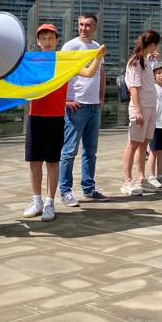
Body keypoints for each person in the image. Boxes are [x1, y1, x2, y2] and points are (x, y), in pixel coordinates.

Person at [23, 23, 104, 221]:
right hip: (35, 117)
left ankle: (50, 202)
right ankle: (37, 201)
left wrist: (97, 57)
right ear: (38, 42)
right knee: (34, 162)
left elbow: (87, 73)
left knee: (52, 161)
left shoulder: (63, 60)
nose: (47, 42)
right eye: (43, 38)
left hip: (56, 118)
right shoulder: (33, 60)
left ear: (57, 40)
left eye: (51, 38)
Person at [59, 13, 108, 206]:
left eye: (88, 25)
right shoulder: (70, 46)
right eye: (81, 24)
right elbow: (61, 75)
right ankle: (65, 191)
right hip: (76, 105)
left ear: (94, 27)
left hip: (93, 105)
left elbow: (100, 74)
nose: (83, 28)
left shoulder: (97, 48)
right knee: (69, 150)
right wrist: (65, 101)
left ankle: (88, 188)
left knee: (91, 151)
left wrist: (101, 98)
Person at [120, 30, 161, 196]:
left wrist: (152, 60)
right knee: (133, 143)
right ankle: (127, 180)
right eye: (156, 45)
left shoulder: (145, 60)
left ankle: (141, 177)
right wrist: (137, 110)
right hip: (140, 107)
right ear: (152, 45)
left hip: (151, 106)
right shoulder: (135, 61)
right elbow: (134, 88)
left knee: (144, 143)